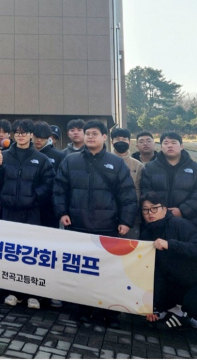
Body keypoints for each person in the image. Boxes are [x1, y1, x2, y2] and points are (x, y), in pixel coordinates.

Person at [53, 120, 137, 324]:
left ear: (104, 137)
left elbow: (127, 194)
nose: (90, 137)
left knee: (107, 271)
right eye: (87, 133)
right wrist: (62, 212)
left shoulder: (116, 163)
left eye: (94, 134)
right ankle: (82, 309)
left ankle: (109, 311)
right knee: (81, 269)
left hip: (106, 225)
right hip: (77, 224)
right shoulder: (70, 161)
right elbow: (59, 189)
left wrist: (126, 221)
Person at [140, 192, 197, 348]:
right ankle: (179, 315)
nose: (150, 213)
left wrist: (170, 244)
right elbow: (153, 271)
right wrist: (151, 306)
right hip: (178, 284)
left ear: (165, 209)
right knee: (155, 289)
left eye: (154, 208)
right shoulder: (147, 233)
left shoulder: (180, 225)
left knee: (194, 302)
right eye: (145, 210)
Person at [0, 119, 55, 309]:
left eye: (24, 132)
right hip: (8, 211)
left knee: (30, 253)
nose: (20, 135)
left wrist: (34, 197)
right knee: (10, 252)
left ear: (31, 135)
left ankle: (33, 294)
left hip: (31, 212)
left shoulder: (41, 159)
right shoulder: (4, 155)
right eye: (17, 132)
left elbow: (48, 184)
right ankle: (11, 291)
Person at [139, 132, 197, 231]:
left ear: (181, 146)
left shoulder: (196, 169)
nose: (170, 146)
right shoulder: (150, 168)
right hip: (157, 222)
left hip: (189, 223)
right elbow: (146, 191)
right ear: (161, 147)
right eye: (166, 143)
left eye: (173, 142)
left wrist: (182, 211)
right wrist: (160, 211)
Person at [110, 127, 144, 239]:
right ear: (112, 142)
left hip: (131, 218)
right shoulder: (104, 161)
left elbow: (139, 192)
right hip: (107, 215)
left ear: (129, 142)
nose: (121, 141)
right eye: (117, 139)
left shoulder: (138, 165)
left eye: (124, 139)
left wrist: (130, 215)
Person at [32, 121, 66, 229]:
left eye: (42, 137)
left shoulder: (59, 155)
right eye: (36, 136)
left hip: (49, 206)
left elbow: (61, 182)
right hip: (28, 204)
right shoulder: (26, 153)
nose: (38, 140)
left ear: (48, 138)